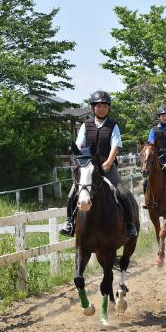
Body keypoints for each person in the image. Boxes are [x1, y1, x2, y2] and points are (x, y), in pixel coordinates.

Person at [59, 90, 138, 237]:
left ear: (108, 108)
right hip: (89, 167)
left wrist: (108, 162)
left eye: (105, 106)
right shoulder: (86, 125)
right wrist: (80, 158)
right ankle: (69, 222)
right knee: (72, 194)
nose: (102, 109)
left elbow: (116, 146)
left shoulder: (113, 125)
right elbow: (79, 144)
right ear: (93, 108)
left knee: (122, 192)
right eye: (99, 106)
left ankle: (129, 224)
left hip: (107, 166)